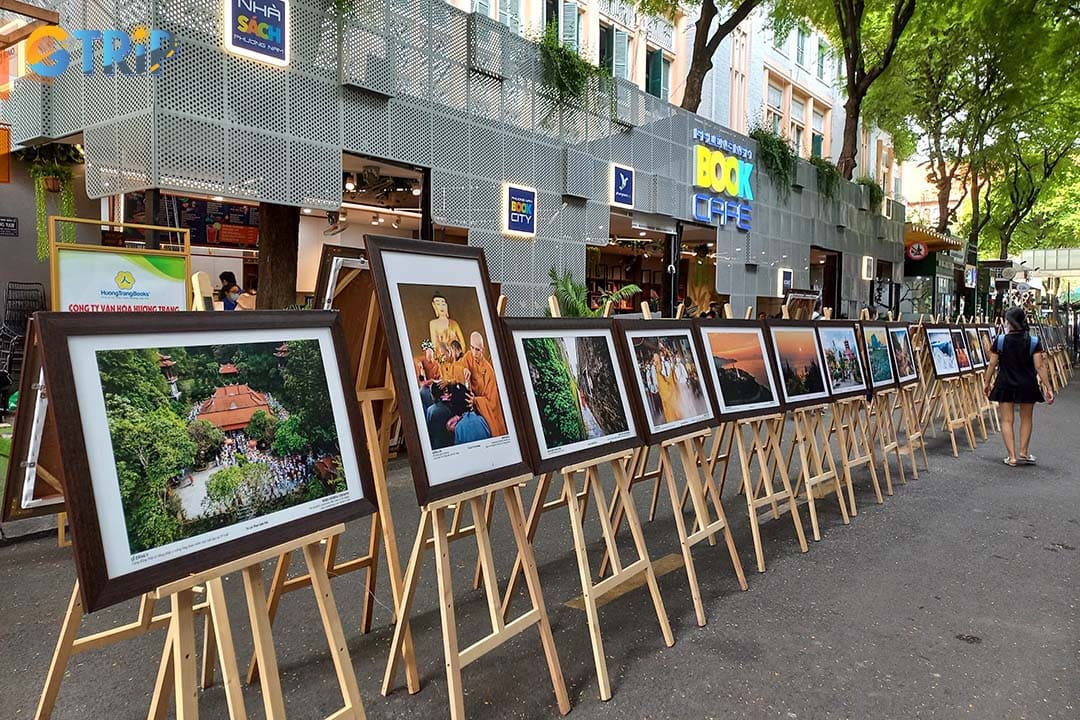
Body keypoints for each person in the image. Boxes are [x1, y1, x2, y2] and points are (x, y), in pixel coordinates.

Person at [983, 307, 1054, 467]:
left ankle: (1012, 456)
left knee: (1007, 420)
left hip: (1005, 383)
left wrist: (987, 383)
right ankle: (1023, 451)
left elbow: (992, 363)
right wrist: (1048, 387)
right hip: (1027, 384)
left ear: (1009, 322)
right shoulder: (1033, 341)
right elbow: (1040, 366)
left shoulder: (1001, 340)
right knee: (1026, 418)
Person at [462, 332, 508, 437]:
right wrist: (463, 369)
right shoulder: (468, 356)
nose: (474, 353)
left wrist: (475, 400)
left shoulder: (489, 371)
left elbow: (492, 403)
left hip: (485, 413)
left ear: (482, 349)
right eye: (472, 348)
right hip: (471, 408)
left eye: (477, 349)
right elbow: (459, 366)